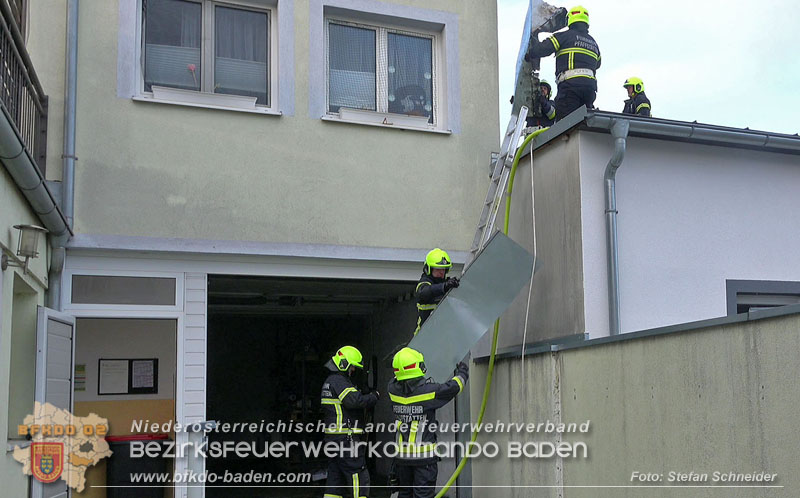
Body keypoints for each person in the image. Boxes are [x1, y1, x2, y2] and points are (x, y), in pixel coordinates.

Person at [388, 348, 469, 498]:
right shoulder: (428, 392)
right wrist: (462, 372)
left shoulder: (392, 390)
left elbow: (397, 379)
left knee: (405, 495)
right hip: (423, 460)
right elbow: (454, 387)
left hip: (402, 458)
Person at [321, 345, 380, 498]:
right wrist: (374, 397)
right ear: (345, 364)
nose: (353, 370)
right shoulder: (339, 381)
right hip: (346, 440)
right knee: (358, 476)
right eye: (352, 366)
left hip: (333, 440)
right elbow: (353, 401)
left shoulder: (329, 381)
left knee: (335, 481)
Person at [526, 5, 601, 121]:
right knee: (583, 121)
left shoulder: (565, 36)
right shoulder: (593, 43)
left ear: (570, 19)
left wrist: (529, 54)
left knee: (565, 123)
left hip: (570, 88)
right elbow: (598, 64)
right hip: (590, 89)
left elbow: (544, 48)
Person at [414, 248, 459, 336]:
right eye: (438, 269)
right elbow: (423, 293)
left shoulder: (447, 284)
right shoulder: (424, 282)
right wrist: (444, 287)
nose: (441, 272)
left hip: (443, 336)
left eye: (444, 269)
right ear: (429, 269)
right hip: (423, 337)